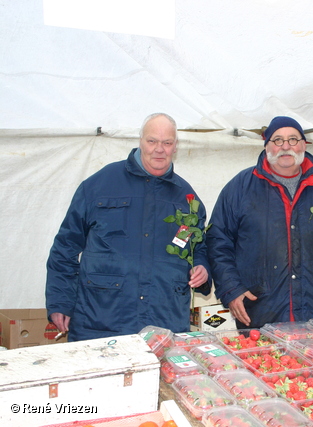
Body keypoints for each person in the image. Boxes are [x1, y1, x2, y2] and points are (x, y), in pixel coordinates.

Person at [46, 113, 211, 341]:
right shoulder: (98, 185)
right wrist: (60, 301)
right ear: (140, 141)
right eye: (152, 141)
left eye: (167, 143)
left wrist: (202, 268)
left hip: (163, 324)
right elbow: (65, 248)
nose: (159, 149)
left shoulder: (187, 198)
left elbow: (198, 248)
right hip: (100, 320)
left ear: (176, 147)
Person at [207, 116, 313, 328]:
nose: (286, 146)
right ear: (266, 146)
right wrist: (231, 289)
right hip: (260, 310)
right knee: (262, 361)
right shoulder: (240, 187)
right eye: (277, 139)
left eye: (293, 139)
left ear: (304, 145)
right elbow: (217, 240)